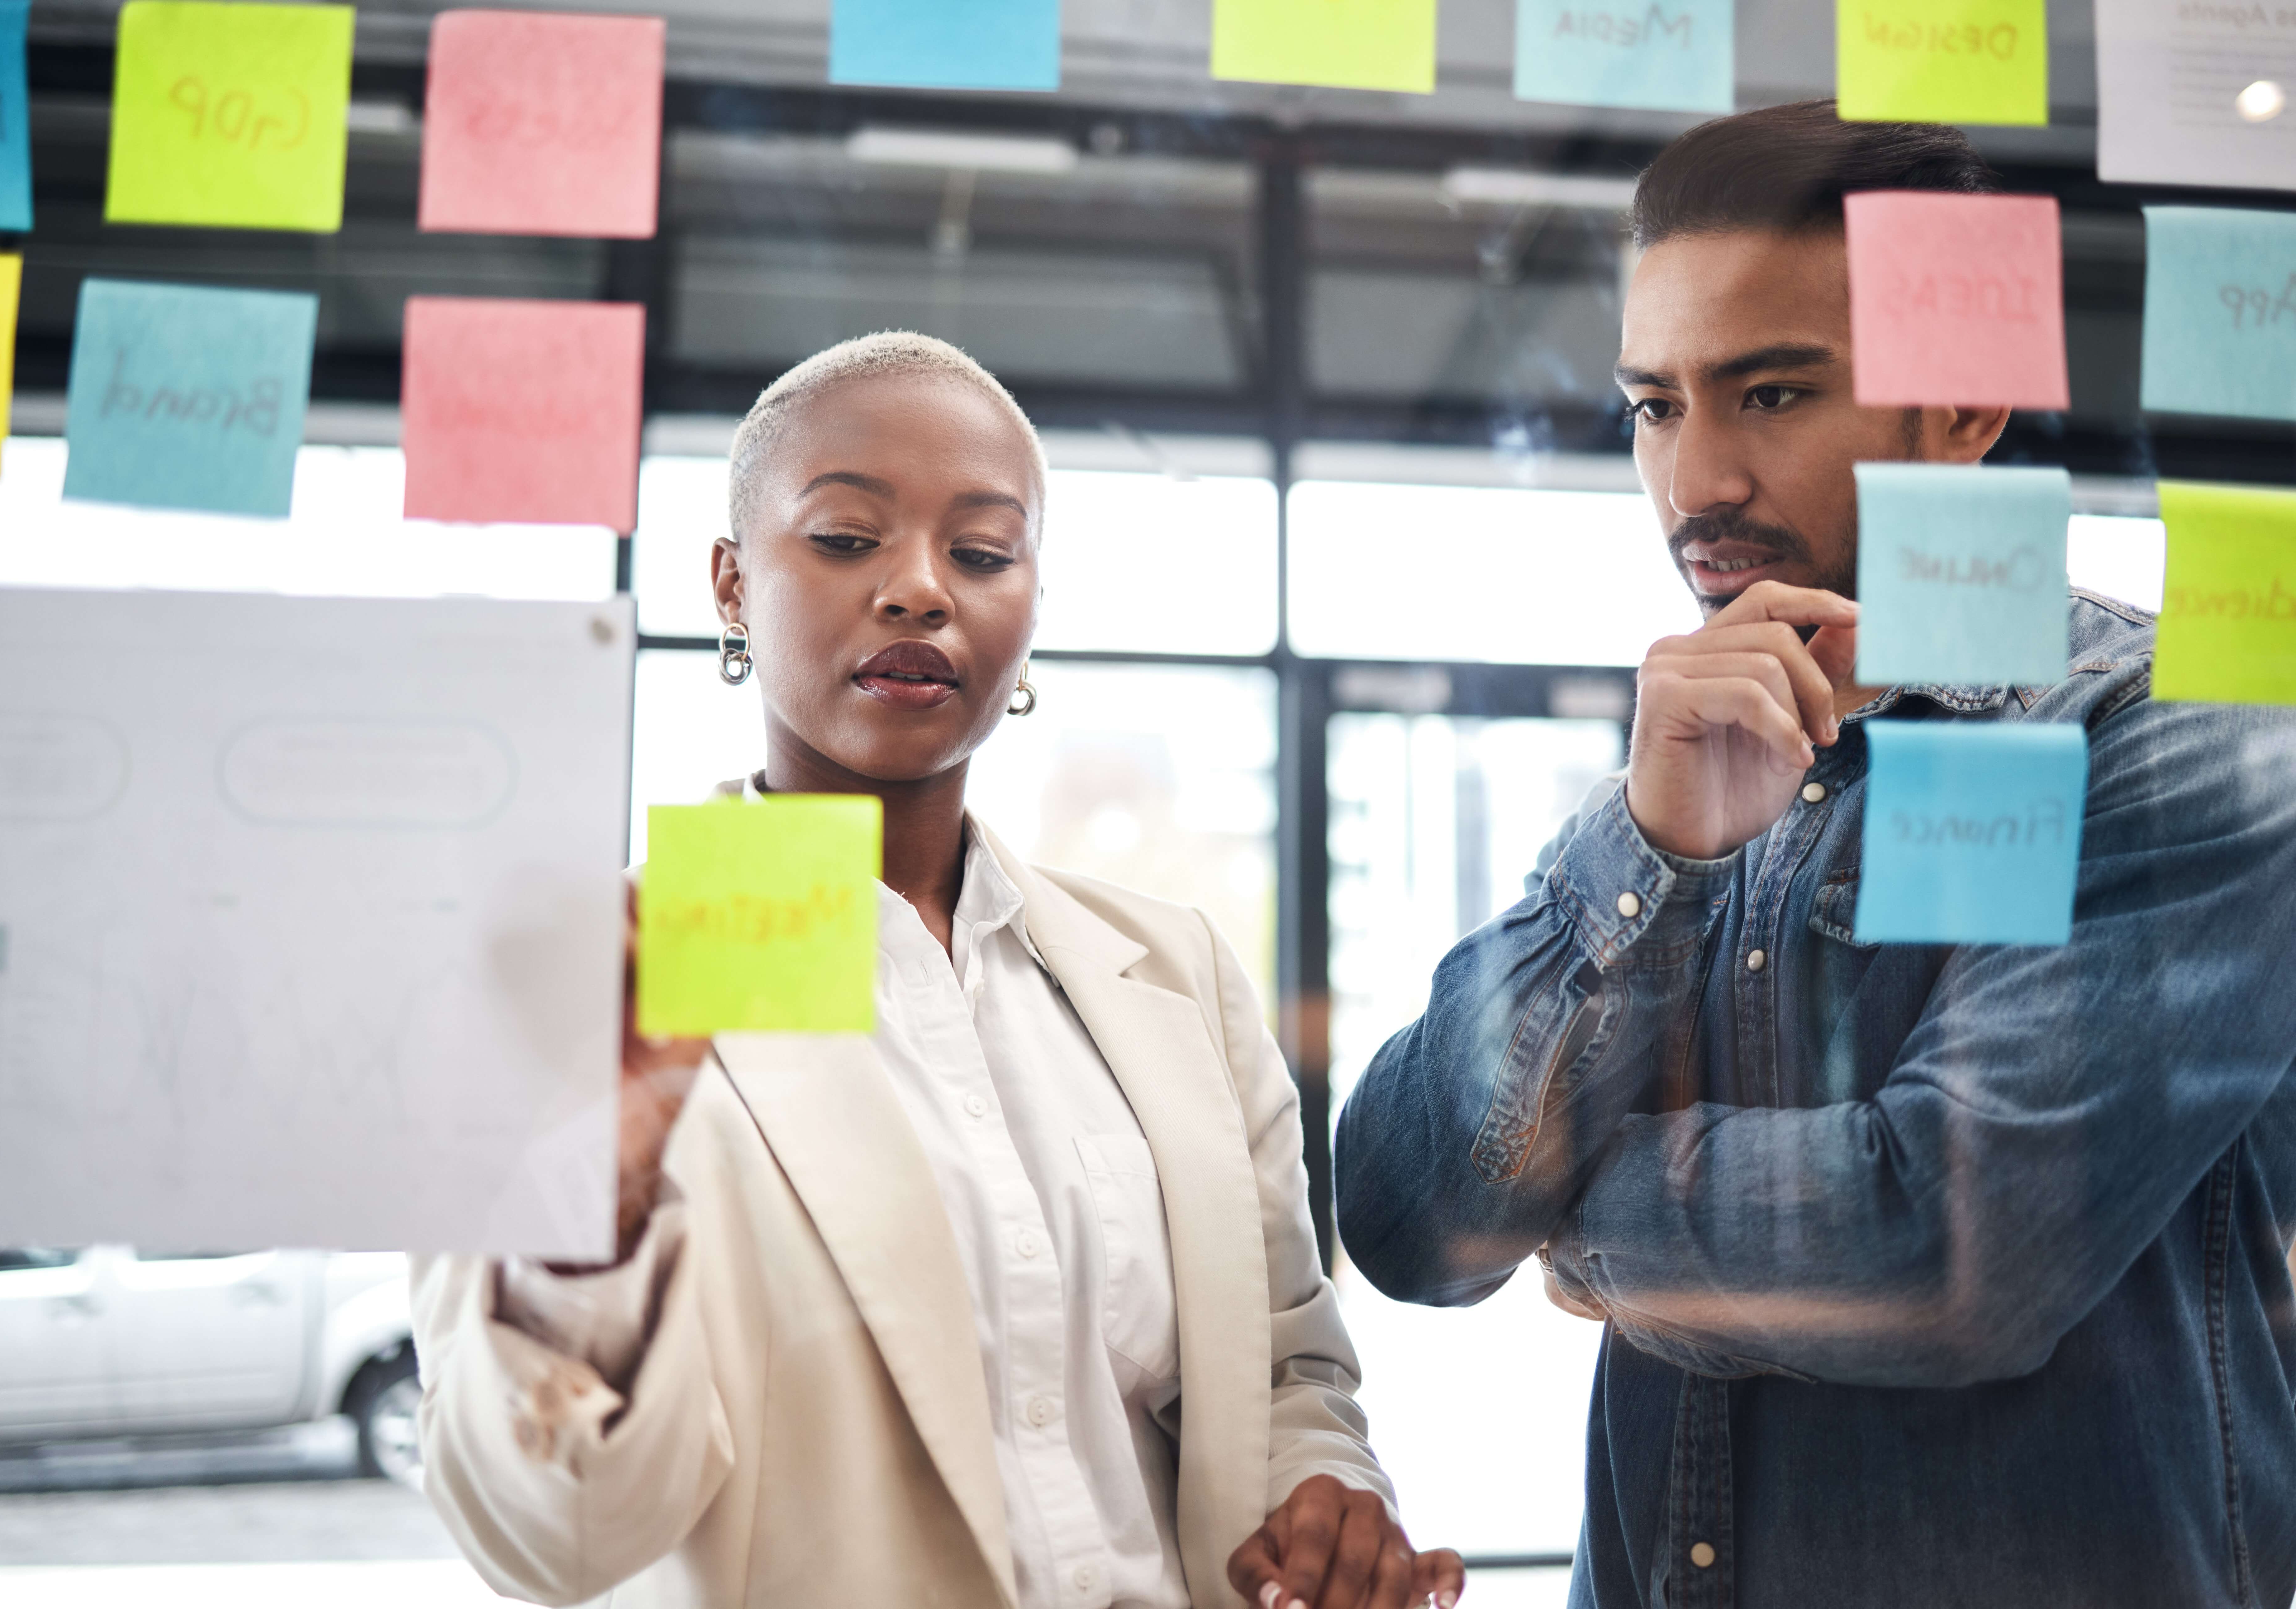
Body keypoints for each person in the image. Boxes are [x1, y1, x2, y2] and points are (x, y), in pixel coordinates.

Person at [1333, 101, 2296, 1609]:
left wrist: (1573, 1225)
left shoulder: (2174, 736)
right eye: (1653, 405)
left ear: (1965, 404)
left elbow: (1946, 1247)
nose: (1692, 479)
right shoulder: (1691, 768)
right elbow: (1408, 1219)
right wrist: (1648, 842)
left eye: (1767, 394)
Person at [411, 332, 1465, 1609]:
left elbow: (1291, 1369)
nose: (920, 588)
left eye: (980, 552)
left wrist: (1322, 1497)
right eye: (848, 537)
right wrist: (592, 1232)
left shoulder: (1171, 968)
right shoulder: (607, 988)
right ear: (733, 588)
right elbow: (554, 1540)